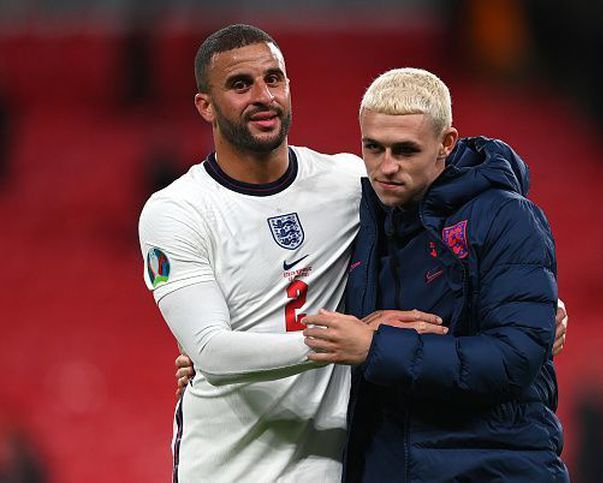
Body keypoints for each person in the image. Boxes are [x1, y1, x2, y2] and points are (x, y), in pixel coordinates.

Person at [138, 24, 446, 482]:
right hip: (229, 468)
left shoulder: (349, 182)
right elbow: (211, 351)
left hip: (333, 462)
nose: (263, 95)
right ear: (205, 105)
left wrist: (526, 301)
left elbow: (458, 231)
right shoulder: (177, 210)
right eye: (241, 84)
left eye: (274, 79)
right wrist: (349, 339)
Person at [302, 68, 569, 481]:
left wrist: (375, 347)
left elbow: (514, 358)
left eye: (405, 150)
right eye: (373, 148)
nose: (386, 167)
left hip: (492, 467)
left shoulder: (505, 216)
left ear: (446, 142)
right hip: (390, 463)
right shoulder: (363, 219)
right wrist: (217, 354)